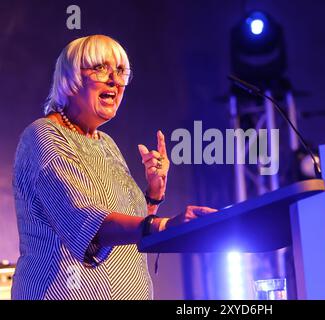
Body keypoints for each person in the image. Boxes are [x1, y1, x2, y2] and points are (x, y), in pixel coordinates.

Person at [11, 34, 217, 300]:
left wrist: (153, 195)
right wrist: (165, 225)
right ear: (70, 77)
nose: (114, 80)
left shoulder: (105, 143)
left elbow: (127, 227)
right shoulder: (44, 136)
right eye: (100, 68)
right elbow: (87, 223)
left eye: (121, 71)